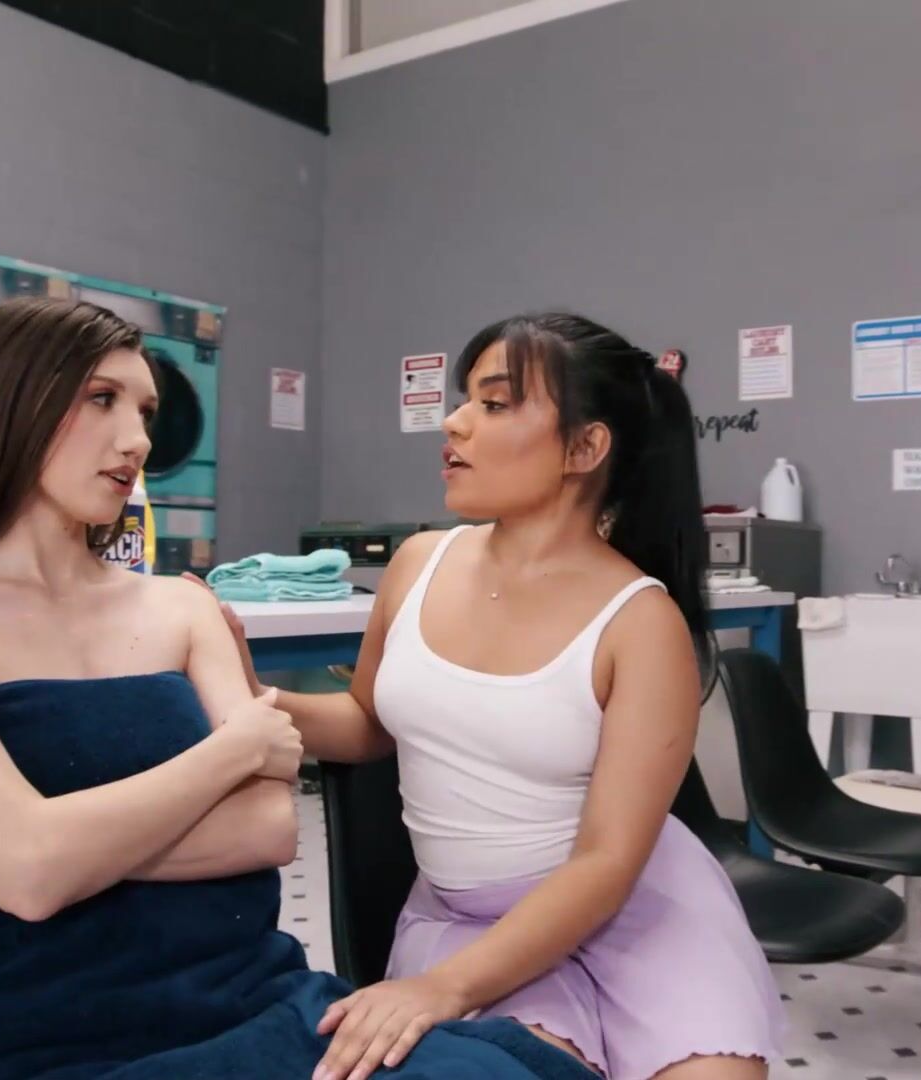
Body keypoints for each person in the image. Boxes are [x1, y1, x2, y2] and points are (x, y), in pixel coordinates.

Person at [0, 297, 596, 1080]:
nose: (137, 440)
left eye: (145, 411)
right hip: (45, 1034)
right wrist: (230, 753)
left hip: (259, 1003)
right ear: (7, 402)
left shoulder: (181, 605)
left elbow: (266, 830)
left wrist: (32, 852)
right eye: (102, 398)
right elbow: (29, 873)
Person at [213, 313, 787, 1080]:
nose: (453, 422)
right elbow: (366, 724)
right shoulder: (417, 565)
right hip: (467, 925)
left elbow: (607, 861)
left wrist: (441, 992)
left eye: (493, 403)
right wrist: (246, 695)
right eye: (464, 400)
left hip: (635, 913)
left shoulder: (640, 623)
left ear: (584, 448)